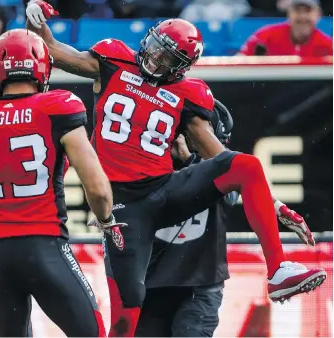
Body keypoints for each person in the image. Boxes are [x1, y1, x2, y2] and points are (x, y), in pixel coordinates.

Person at [25, 2, 326, 336]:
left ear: (182, 68)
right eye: (156, 50)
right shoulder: (113, 59)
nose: (155, 60)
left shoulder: (189, 93)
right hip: (125, 206)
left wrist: (274, 205)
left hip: (163, 189)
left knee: (246, 164)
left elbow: (219, 155)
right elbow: (52, 50)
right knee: (126, 319)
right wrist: (37, 22)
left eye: (167, 59)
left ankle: (278, 270)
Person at [0, 28, 124, 337]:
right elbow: (96, 186)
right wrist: (106, 218)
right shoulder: (59, 107)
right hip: (44, 247)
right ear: (43, 67)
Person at [134, 99, 236, 337]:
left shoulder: (214, 165)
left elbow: (231, 194)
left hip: (199, 283)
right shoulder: (140, 165)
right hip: (150, 282)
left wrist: (190, 159)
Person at [238, 0, 332, 56]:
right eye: (297, 11)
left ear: (318, 15)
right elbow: (238, 61)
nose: (302, 17)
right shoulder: (265, 36)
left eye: (307, 11)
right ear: (289, 13)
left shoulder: (328, 45)